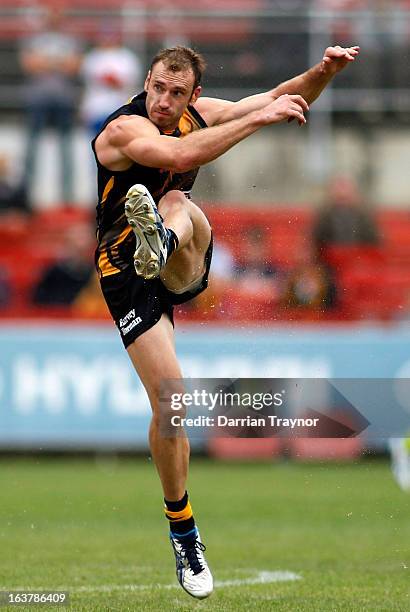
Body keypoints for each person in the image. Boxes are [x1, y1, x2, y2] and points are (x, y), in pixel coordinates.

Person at [93, 44, 359, 599]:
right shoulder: (119, 131)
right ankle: (183, 530)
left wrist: (323, 71)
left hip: (182, 258)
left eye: (176, 93)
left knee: (178, 208)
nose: (163, 101)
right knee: (173, 403)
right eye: (157, 89)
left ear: (192, 94)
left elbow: (279, 97)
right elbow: (178, 157)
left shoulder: (200, 112)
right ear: (146, 81)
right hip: (123, 272)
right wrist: (260, 119)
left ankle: (161, 241)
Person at [19, 5, 82, 205]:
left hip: (64, 99)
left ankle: (67, 198)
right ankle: (26, 195)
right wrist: (59, 63)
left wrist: (45, 63)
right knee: (31, 147)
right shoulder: (33, 40)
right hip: (38, 98)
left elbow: (74, 67)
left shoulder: (72, 40)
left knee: (66, 149)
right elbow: (30, 65)